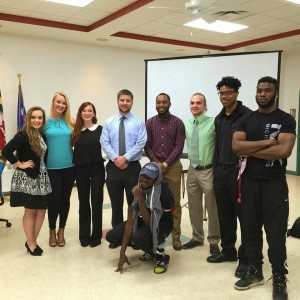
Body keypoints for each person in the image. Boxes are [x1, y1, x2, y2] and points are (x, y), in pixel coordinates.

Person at [232, 76, 296, 300]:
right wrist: (268, 142)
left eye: (267, 90)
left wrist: (249, 150)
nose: (262, 94)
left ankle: (278, 276)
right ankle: (255, 271)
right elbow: (236, 146)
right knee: (250, 231)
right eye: (259, 90)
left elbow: (283, 151)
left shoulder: (286, 119)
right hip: (249, 182)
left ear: (275, 92)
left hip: (274, 184)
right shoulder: (246, 118)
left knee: (276, 233)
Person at [207, 77, 252, 279]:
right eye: (221, 93)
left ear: (237, 93)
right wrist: (216, 167)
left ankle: (246, 257)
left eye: (229, 92)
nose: (225, 96)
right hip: (221, 172)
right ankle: (228, 251)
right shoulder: (219, 118)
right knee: (224, 214)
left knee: (244, 215)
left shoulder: (248, 116)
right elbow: (218, 145)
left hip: (239, 172)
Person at [106, 162, 174, 274]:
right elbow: (130, 222)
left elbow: (150, 223)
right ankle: (149, 249)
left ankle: (161, 256)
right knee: (112, 236)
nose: (144, 179)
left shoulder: (162, 190)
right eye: (143, 175)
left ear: (156, 179)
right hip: (147, 220)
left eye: (149, 178)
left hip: (161, 224)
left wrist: (140, 199)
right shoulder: (136, 187)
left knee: (138, 238)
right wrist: (122, 254)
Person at [100, 89, 147, 248]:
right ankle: (117, 236)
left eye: (128, 100)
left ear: (132, 102)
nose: (125, 103)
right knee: (116, 203)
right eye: (122, 100)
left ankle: (134, 236)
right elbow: (104, 142)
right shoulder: (109, 122)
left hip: (132, 168)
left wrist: (125, 158)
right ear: (117, 101)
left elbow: (141, 143)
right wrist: (116, 159)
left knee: (134, 204)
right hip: (113, 168)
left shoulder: (139, 123)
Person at [2, 106, 52, 256]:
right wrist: (20, 164)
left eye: (40, 118)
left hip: (42, 177)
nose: (37, 120)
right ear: (28, 119)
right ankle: (31, 243)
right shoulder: (23, 135)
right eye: (33, 117)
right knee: (30, 211)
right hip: (28, 178)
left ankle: (31, 240)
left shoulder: (40, 134)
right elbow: (6, 150)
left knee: (42, 210)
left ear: (43, 120)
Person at [144, 93, 185, 251]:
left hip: (172, 166)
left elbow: (179, 145)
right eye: (158, 102)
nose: (161, 104)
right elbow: (146, 145)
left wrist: (166, 163)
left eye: (164, 102)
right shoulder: (149, 123)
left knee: (174, 203)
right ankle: (158, 235)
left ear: (169, 103)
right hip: (154, 167)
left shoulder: (177, 123)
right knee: (155, 203)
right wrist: (157, 163)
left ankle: (176, 237)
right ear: (156, 104)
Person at [183, 93, 220, 255]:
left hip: (208, 170)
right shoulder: (186, 124)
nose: (195, 105)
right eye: (192, 103)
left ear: (205, 106)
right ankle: (197, 237)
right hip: (192, 170)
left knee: (212, 208)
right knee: (194, 206)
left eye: (198, 103)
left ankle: (214, 240)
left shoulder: (214, 123)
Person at [44, 92, 75, 247]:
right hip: (51, 168)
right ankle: (51, 230)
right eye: (58, 102)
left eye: (64, 103)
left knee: (65, 200)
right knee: (54, 201)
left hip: (69, 168)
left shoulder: (70, 122)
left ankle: (61, 230)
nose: (61, 105)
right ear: (53, 102)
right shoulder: (45, 122)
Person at [71, 102, 105, 248]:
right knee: (83, 203)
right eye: (84, 110)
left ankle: (96, 236)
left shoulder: (101, 129)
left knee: (97, 202)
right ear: (80, 113)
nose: (87, 113)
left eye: (90, 110)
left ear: (94, 113)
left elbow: (106, 148)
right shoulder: (76, 131)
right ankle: (84, 236)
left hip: (97, 169)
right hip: (81, 170)